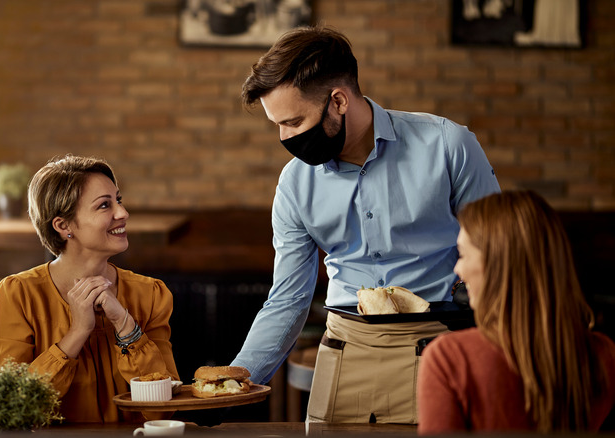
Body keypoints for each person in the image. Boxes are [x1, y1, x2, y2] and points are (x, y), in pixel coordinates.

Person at [230, 25, 500, 424]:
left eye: (293, 121)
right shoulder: (294, 184)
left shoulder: (448, 145)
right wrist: (233, 383)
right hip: (343, 351)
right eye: (277, 125)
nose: (284, 137)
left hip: (443, 347)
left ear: (338, 101)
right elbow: (288, 298)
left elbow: (503, 258)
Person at [0, 155, 179, 423]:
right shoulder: (17, 294)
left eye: (118, 200)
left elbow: (163, 409)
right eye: (104, 205)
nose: (122, 213)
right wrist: (77, 332)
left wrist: (125, 325)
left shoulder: (150, 294)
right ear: (63, 226)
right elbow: (10, 410)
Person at [418, 190, 615, 433]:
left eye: (463, 254)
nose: (458, 269)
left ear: (498, 265)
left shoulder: (449, 360)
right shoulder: (603, 356)